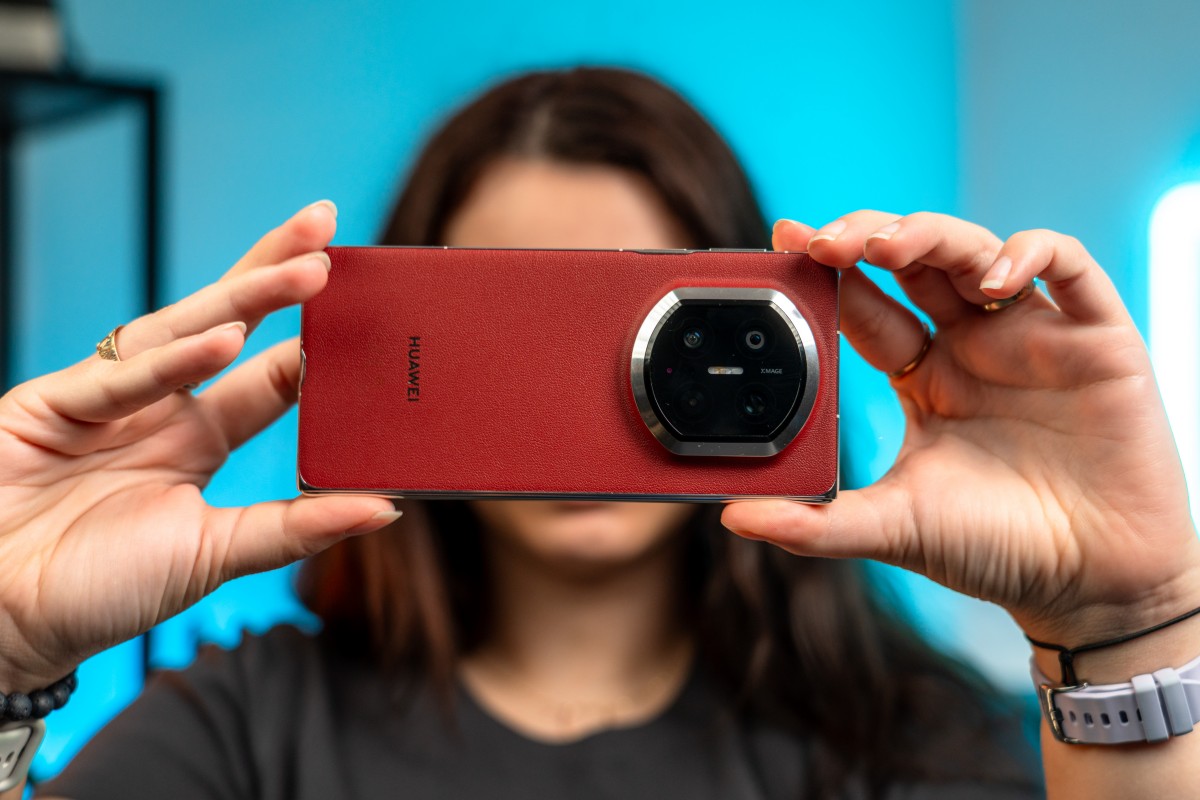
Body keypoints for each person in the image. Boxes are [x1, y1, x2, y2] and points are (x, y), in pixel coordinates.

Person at [0, 67, 1194, 799]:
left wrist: (1124, 627)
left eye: (644, 315)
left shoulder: (914, 740)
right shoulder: (248, 729)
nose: (619, 384)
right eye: (520, 324)